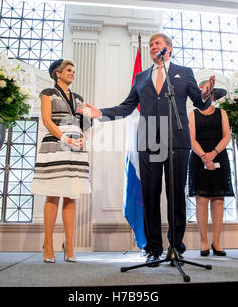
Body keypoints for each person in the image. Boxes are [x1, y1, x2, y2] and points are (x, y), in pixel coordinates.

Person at [79, 33, 215, 267]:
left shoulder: (184, 73)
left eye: (157, 44)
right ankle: (153, 248)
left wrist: (206, 94)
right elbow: (127, 106)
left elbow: (199, 102)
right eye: (151, 45)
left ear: (169, 48)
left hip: (177, 137)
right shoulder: (141, 77)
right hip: (149, 137)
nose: (153, 47)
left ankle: (176, 247)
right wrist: (100, 113)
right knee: (150, 195)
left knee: (175, 194)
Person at [32, 59, 91, 263]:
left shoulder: (79, 98)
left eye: (73, 71)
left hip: (75, 148)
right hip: (56, 144)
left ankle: (69, 245)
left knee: (71, 194)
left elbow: (85, 123)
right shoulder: (48, 93)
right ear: (57, 73)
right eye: (68, 70)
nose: (72, 73)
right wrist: (64, 138)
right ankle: (48, 244)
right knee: (53, 193)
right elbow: (47, 120)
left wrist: (83, 136)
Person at [188, 85, 234, 257]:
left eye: (210, 94)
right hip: (199, 158)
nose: (208, 97)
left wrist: (213, 153)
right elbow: (191, 139)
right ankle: (203, 243)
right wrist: (204, 157)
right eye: (204, 94)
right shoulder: (193, 115)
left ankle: (216, 242)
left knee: (218, 200)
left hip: (219, 155)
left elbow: (227, 136)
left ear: (213, 97)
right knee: (201, 200)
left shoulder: (222, 113)